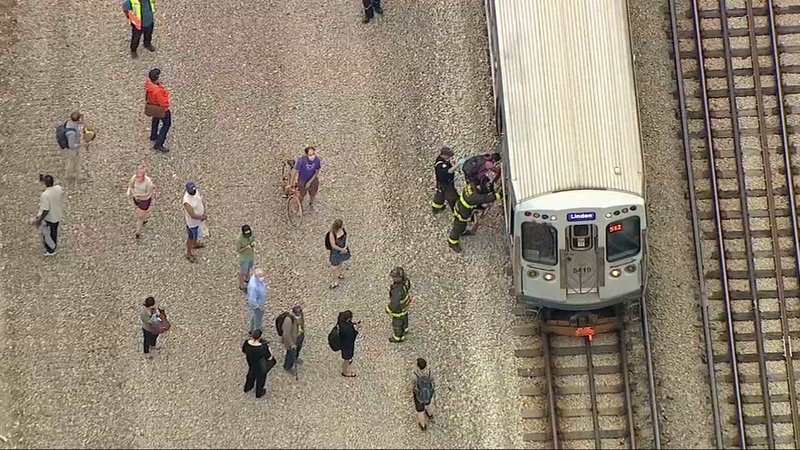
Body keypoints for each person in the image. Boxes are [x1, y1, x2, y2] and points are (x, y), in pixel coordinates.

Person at [447, 181, 502, 253]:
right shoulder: (474, 197)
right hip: (463, 213)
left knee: (462, 225)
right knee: (458, 227)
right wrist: (499, 195)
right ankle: (452, 242)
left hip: (461, 206)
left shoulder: (472, 185)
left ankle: (462, 232)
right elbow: (485, 198)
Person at [33, 174, 65, 256]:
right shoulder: (58, 188)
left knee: (48, 234)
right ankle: (52, 246)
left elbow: (46, 210)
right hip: (57, 214)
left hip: (50, 218)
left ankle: (51, 250)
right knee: (54, 232)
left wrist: (39, 220)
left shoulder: (45, 195)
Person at [242, 329, 276, 398]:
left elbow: (244, 350)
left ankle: (248, 387)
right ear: (260, 337)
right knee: (261, 378)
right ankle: (259, 392)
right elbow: (269, 357)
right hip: (259, 365)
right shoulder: (263, 347)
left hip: (250, 362)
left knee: (251, 374)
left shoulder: (246, 343)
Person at [145, 68, 171, 152]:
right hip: (160, 108)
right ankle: (159, 143)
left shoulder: (149, 84)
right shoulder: (157, 91)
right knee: (166, 124)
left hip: (153, 106)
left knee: (155, 119)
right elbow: (163, 103)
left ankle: (153, 136)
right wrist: (167, 105)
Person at [127, 165, 155, 239]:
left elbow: (148, 193)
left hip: (145, 200)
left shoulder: (149, 183)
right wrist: (133, 194)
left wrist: (137, 194)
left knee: (140, 216)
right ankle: (145, 220)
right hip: (136, 198)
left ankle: (137, 231)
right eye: (137, 177)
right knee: (143, 214)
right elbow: (131, 186)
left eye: (139, 177)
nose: (137, 179)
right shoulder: (134, 178)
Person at [182, 181, 206, 263]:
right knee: (191, 237)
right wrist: (201, 217)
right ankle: (188, 253)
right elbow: (192, 215)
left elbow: (200, 200)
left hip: (199, 220)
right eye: (192, 191)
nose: (194, 192)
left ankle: (195, 244)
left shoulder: (195, 192)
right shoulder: (187, 201)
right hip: (192, 223)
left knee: (197, 235)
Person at [386, 267, 412, 343]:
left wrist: (388, 309)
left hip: (399, 309)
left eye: (394, 277)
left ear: (399, 277)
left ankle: (397, 338)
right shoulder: (406, 281)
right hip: (405, 306)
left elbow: (394, 302)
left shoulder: (397, 290)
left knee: (397, 323)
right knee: (405, 319)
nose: (393, 279)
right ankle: (405, 331)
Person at [431, 146, 459, 213]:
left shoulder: (442, 160)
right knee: (453, 198)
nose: (449, 157)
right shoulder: (441, 165)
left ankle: (436, 208)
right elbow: (449, 171)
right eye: (448, 155)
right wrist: (458, 164)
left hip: (441, 183)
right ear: (443, 155)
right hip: (446, 184)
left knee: (440, 195)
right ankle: (457, 212)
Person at [412, 358, 435, 430]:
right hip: (428, 393)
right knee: (429, 404)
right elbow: (432, 381)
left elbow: (413, 385)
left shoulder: (415, 374)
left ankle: (423, 425)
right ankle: (430, 414)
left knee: (420, 411)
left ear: (418, 366)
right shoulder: (429, 372)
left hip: (419, 397)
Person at [327, 219, 351, 289]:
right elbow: (333, 245)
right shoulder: (332, 234)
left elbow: (346, 237)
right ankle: (335, 281)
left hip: (343, 248)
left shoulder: (343, 229)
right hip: (336, 251)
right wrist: (341, 249)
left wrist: (345, 245)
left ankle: (339, 273)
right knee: (334, 267)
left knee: (340, 261)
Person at [280, 306, 303, 372]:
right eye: (297, 314)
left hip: (298, 337)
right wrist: (291, 344)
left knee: (297, 350)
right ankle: (287, 367)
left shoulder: (300, 316)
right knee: (290, 354)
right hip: (291, 340)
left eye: (299, 314)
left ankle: (295, 358)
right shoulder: (288, 320)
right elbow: (286, 334)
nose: (298, 315)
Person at [338, 310, 360, 377]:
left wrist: (352, 324)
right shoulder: (348, 329)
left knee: (346, 356)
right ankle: (345, 372)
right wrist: (356, 329)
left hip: (342, 341)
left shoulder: (340, 319)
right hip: (347, 345)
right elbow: (352, 337)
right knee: (346, 358)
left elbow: (347, 324)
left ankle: (348, 361)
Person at [64, 111, 84, 181]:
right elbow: (71, 145)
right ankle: (77, 176)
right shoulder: (71, 133)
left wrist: (83, 118)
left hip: (74, 147)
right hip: (74, 149)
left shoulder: (69, 122)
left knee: (72, 162)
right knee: (75, 162)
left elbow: (81, 123)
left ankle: (68, 175)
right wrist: (81, 144)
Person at [236, 225, 255, 291]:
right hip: (244, 257)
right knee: (242, 272)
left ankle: (247, 279)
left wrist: (253, 243)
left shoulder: (252, 232)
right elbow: (238, 251)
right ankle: (241, 285)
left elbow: (253, 239)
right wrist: (246, 248)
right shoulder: (239, 239)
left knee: (248, 268)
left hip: (250, 255)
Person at [248, 268, 268, 333]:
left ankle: (251, 329)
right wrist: (259, 307)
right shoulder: (253, 287)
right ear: (256, 276)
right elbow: (252, 301)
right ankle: (256, 335)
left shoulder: (257, 280)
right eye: (261, 276)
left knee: (255, 317)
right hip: (258, 306)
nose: (262, 277)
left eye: (263, 275)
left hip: (260, 302)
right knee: (258, 322)